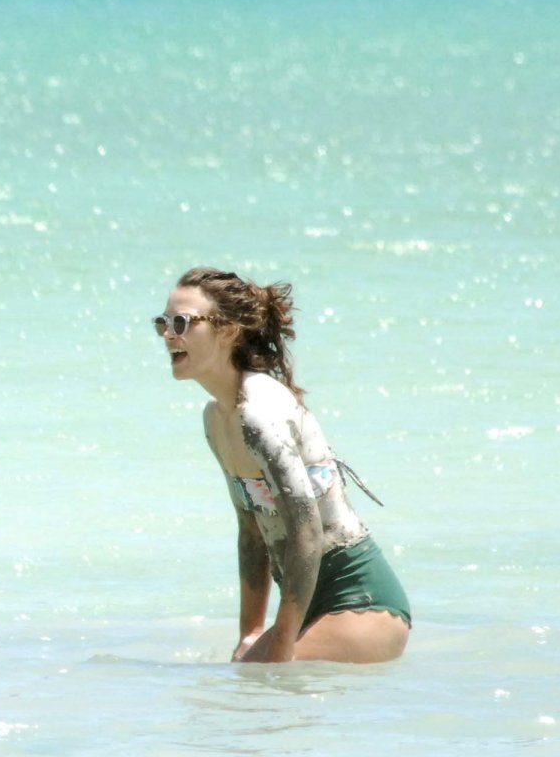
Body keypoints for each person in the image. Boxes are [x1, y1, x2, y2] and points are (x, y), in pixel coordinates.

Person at [160, 267, 411, 664]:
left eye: (182, 323)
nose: (168, 335)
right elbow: (251, 532)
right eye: (163, 323)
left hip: (360, 602)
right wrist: (249, 633)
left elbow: (306, 531)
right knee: (246, 676)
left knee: (254, 681)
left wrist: (280, 642)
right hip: (307, 604)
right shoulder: (217, 419)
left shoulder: (260, 412)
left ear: (228, 330)